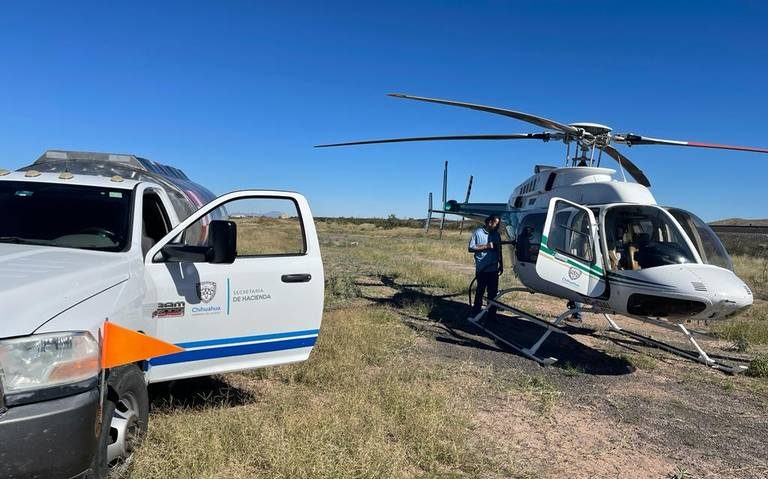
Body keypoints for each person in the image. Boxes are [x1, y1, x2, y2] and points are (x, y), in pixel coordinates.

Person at [468, 215, 503, 321]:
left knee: (493, 293)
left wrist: (501, 264)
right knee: (480, 291)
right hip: (482, 269)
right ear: (490, 222)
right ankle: (475, 313)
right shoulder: (478, 233)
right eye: (496, 224)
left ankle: (491, 316)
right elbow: (471, 248)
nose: (498, 226)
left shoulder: (496, 234)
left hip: (493, 269)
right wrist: (487, 246)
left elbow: (499, 249)